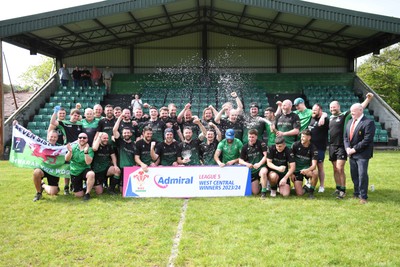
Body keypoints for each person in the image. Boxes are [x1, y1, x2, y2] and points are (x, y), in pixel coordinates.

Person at [328, 93, 373, 199]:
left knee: (340, 168)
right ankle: (338, 188)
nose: (332, 109)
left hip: (342, 146)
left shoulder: (345, 115)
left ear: (338, 107)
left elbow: (359, 108)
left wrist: (368, 99)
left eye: (334, 107)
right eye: (330, 107)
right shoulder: (329, 117)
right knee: (335, 169)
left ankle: (343, 190)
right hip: (332, 146)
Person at [344, 103, 376, 204]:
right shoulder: (349, 122)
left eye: (354, 110)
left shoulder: (368, 122)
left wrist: (354, 149)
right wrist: (347, 148)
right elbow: (345, 137)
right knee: (354, 174)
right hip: (351, 153)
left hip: (362, 154)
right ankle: (356, 192)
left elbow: (367, 140)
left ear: (361, 110)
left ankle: (363, 196)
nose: (352, 112)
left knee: (362, 174)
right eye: (351, 110)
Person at [50, 106, 83, 195]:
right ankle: (66, 187)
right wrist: (55, 112)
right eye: (74, 115)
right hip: (67, 149)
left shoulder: (80, 124)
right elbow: (53, 122)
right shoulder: (64, 123)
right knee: (67, 167)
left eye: (77, 116)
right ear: (70, 115)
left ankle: (74, 184)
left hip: (77, 149)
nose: (75, 117)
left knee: (75, 167)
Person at [31, 130, 62, 202]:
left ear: (57, 138)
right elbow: (31, 141)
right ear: (47, 137)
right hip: (43, 168)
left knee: (53, 192)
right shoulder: (42, 145)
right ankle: (38, 193)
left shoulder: (60, 147)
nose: (53, 138)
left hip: (53, 170)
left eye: (55, 137)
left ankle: (42, 185)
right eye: (51, 137)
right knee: (36, 172)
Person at [65, 133, 95, 201]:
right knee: (78, 195)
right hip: (75, 171)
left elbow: (88, 162)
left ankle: (87, 193)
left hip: (85, 169)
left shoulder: (90, 149)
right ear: (78, 139)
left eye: (84, 138)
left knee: (91, 174)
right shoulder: (73, 147)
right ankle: (79, 187)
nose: (82, 139)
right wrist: (70, 152)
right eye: (80, 137)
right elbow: (66, 159)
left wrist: (86, 152)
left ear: (87, 139)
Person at [239, 129, 268, 197]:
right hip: (252, 170)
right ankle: (260, 185)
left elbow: (266, 156)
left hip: (261, 167)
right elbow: (240, 160)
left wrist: (259, 164)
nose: (251, 139)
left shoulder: (261, 143)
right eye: (249, 137)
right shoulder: (245, 147)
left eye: (253, 137)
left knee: (263, 172)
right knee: (255, 192)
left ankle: (263, 192)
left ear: (256, 137)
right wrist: (247, 164)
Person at [291, 130, 318, 199]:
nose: (301, 138)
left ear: (309, 138)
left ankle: (311, 192)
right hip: (296, 171)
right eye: (301, 136)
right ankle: (306, 188)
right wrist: (291, 173)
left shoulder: (313, 148)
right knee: (299, 194)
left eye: (303, 137)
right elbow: (290, 161)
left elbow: (314, 165)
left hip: (307, 170)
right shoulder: (295, 145)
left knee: (315, 173)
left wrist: (307, 170)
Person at [308, 103, 329, 193]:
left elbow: (326, 115)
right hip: (309, 147)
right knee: (309, 165)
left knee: (320, 166)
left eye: (315, 110)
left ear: (320, 110)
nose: (313, 111)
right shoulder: (311, 118)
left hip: (320, 147)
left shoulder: (325, 119)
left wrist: (323, 116)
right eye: (313, 110)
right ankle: (308, 182)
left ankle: (321, 186)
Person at [113, 126, 136, 192]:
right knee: (122, 190)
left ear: (131, 134)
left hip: (132, 169)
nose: (126, 134)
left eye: (128, 133)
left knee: (130, 189)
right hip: (122, 168)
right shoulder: (120, 142)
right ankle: (111, 189)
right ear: (122, 134)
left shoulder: (135, 144)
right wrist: (120, 117)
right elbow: (114, 130)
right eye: (125, 133)